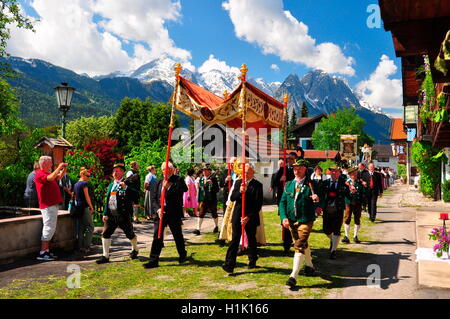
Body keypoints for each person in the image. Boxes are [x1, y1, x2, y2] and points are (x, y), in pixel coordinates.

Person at [279, 159, 322, 288]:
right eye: (294, 168)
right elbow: (282, 202)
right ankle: (309, 266)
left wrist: (317, 201)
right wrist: (283, 217)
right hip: (291, 220)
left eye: (299, 168)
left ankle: (293, 276)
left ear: (305, 169)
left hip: (306, 220)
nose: (296, 170)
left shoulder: (312, 184)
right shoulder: (288, 185)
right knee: (303, 244)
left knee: (298, 245)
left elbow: (321, 198)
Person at [143, 162, 188, 269]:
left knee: (177, 235)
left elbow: (184, 190)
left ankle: (182, 254)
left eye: (168, 169)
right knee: (157, 236)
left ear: (172, 170)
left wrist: (170, 187)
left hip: (173, 213)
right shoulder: (157, 182)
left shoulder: (178, 180)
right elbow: (153, 199)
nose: (165, 171)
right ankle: (153, 260)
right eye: (163, 169)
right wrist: (158, 209)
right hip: (160, 214)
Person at [222, 163, 263, 273]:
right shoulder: (238, 182)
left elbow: (258, 204)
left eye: (248, 172)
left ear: (252, 173)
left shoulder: (257, 185)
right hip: (238, 214)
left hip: (251, 216)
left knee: (251, 239)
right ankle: (229, 264)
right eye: (244, 172)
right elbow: (232, 198)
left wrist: (248, 217)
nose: (246, 174)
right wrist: (240, 192)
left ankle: (252, 259)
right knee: (235, 239)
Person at [96, 163, 140, 264]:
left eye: (117, 171)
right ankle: (105, 256)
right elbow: (107, 200)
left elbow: (136, 195)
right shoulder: (111, 185)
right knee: (105, 234)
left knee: (130, 234)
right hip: (111, 215)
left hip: (123, 214)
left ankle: (135, 249)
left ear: (122, 172)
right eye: (113, 171)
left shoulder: (128, 183)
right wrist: (105, 213)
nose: (114, 173)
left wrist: (126, 188)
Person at [34, 156, 68, 261]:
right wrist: (59, 167)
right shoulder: (39, 174)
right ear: (44, 163)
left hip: (52, 205)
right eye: (50, 163)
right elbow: (51, 178)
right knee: (48, 228)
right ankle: (42, 252)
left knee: (51, 228)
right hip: (48, 206)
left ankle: (46, 251)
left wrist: (64, 169)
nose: (51, 165)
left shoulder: (47, 173)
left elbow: (58, 177)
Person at [320, 165, 350, 260]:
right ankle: (333, 241)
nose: (333, 173)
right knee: (326, 230)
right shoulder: (325, 183)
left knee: (336, 230)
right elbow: (320, 195)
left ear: (339, 173)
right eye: (332, 171)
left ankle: (333, 251)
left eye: (335, 171)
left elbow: (348, 195)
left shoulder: (344, 183)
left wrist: (352, 191)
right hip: (327, 209)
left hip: (338, 209)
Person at [273, 152, 297, 254]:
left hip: (294, 199)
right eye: (289, 159)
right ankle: (286, 245)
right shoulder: (282, 170)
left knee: (294, 221)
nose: (290, 160)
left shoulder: (297, 169)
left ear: (295, 159)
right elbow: (274, 182)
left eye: (292, 159)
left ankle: (295, 240)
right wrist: (280, 179)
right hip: (283, 199)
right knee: (285, 221)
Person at [72, 168, 95, 253]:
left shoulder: (76, 184)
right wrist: (91, 206)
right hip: (84, 207)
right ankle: (86, 246)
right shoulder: (84, 184)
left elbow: (73, 196)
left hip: (78, 207)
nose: (88, 177)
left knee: (81, 227)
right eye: (87, 176)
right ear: (82, 175)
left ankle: (80, 246)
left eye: (89, 176)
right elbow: (87, 196)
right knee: (90, 226)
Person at [194, 165, 219, 235]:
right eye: (203, 170)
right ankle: (198, 229)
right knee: (201, 213)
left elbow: (217, 189)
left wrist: (212, 184)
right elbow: (200, 186)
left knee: (214, 213)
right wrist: (206, 182)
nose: (204, 171)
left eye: (206, 170)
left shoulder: (213, 179)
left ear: (209, 171)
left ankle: (216, 226)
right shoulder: (202, 179)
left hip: (212, 199)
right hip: (204, 199)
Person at [342, 167, 364, 244]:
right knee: (347, 218)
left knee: (357, 218)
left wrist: (357, 190)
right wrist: (348, 189)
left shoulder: (359, 182)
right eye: (352, 174)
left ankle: (355, 236)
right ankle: (346, 236)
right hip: (348, 202)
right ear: (350, 174)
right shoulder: (346, 182)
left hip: (357, 202)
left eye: (355, 173)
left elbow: (362, 192)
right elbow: (343, 192)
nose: (354, 175)